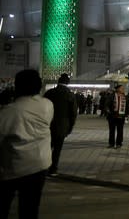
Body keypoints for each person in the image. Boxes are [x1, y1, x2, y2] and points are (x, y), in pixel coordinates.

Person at [0, 69, 53, 219]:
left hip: (14, 166)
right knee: (30, 207)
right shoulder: (47, 105)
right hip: (40, 164)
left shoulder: (10, 111)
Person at [43, 73, 78, 176]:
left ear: (58, 82)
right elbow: (73, 113)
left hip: (48, 124)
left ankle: (43, 167)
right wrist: (70, 127)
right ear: (68, 83)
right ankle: (53, 169)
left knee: (47, 147)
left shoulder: (50, 93)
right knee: (57, 149)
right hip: (62, 126)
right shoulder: (70, 95)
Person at [106, 83, 127, 148]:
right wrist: (108, 111)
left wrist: (127, 114)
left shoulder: (125, 96)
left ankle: (119, 143)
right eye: (122, 88)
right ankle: (111, 143)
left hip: (121, 116)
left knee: (120, 130)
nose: (123, 89)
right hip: (112, 116)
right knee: (112, 130)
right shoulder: (112, 96)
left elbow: (127, 107)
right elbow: (107, 104)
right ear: (117, 89)